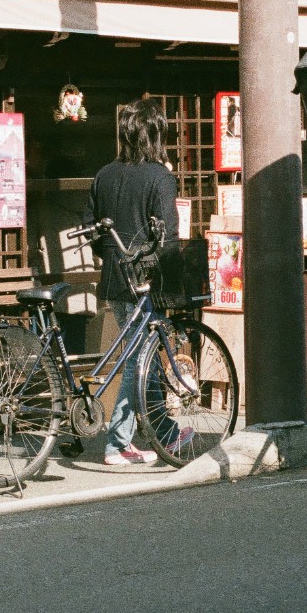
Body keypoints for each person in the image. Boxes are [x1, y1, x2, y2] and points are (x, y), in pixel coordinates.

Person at [89, 99, 180, 467]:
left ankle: (165, 432)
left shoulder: (104, 174)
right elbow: (169, 236)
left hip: (113, 277)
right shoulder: (160, 177)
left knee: (142, 356)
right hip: (145, 279)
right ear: (157, 133)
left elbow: (94, 231)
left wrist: (113, 256)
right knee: (136, 359)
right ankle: (119, 441)